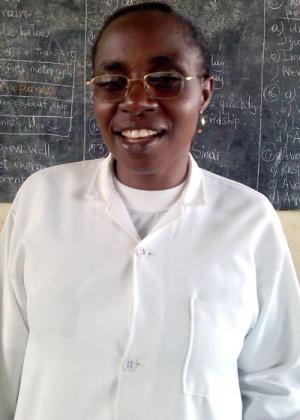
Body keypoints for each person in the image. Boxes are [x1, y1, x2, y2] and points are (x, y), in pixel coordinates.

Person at [0, 2, 300, 420]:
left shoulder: (248, 221)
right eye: (111, 81)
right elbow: (7, 359)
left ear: (205, 93)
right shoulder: (42, 201)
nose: (135, 100)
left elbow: (276, 385)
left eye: (165, 79)